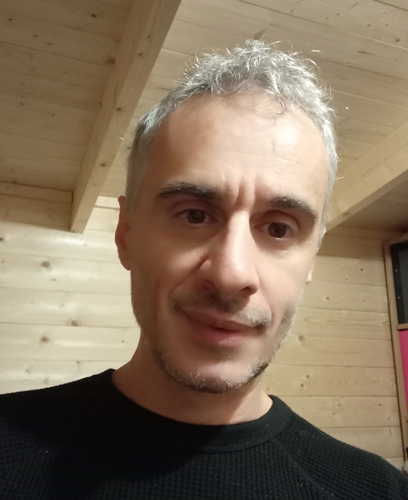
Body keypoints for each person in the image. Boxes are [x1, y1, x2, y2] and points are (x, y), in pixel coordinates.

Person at [0, 40, 407, 500]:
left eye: (278, 228)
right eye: (194, 215)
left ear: (311, 258)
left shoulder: (380, 491)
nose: (231, 274)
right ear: (126, 234)